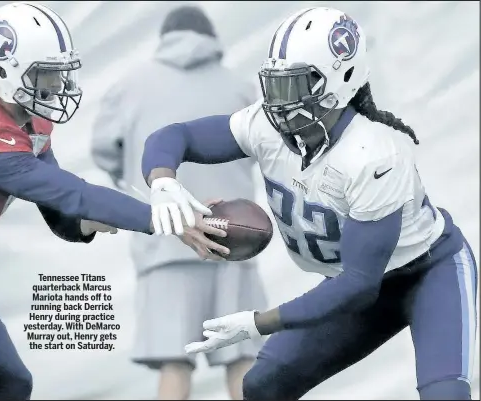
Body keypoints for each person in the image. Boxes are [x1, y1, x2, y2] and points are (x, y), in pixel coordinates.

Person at [0, 3, 225, 400]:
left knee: (9, 383)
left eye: (60, 73)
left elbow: (61, 212)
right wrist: (169, 218)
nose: (57, 86)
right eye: (45, 74)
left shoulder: (30, 119)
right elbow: (73, 192)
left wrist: (86, 223)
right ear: (3, 69)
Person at [140, 7, 478, 400]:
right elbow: (174, 136)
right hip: (356, 282)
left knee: (445, 396)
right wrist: (163, 182)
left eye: (296, 85)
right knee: (262, 386)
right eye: (275, 84)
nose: (279, 102)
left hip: (426, 273)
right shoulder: (263, 127)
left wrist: (259, 322)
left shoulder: (373, 155)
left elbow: (357, 286)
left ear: (342, 78)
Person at [91, 5, 266, 400]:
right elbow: (264, 151)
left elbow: (104, 152)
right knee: (242, 359)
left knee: (174, 363)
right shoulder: (239, 87)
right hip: (233, 241)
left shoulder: (129, 86)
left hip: (164, 244)